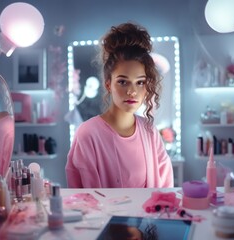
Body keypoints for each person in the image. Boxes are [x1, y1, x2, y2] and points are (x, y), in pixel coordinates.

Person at [65, 22, 174, 188]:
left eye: (140, 82)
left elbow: (165, 192)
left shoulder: (150, 132)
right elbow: (85, 199)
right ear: (108, 84)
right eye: (123, 82)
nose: (132, 91)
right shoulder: (87, 134)